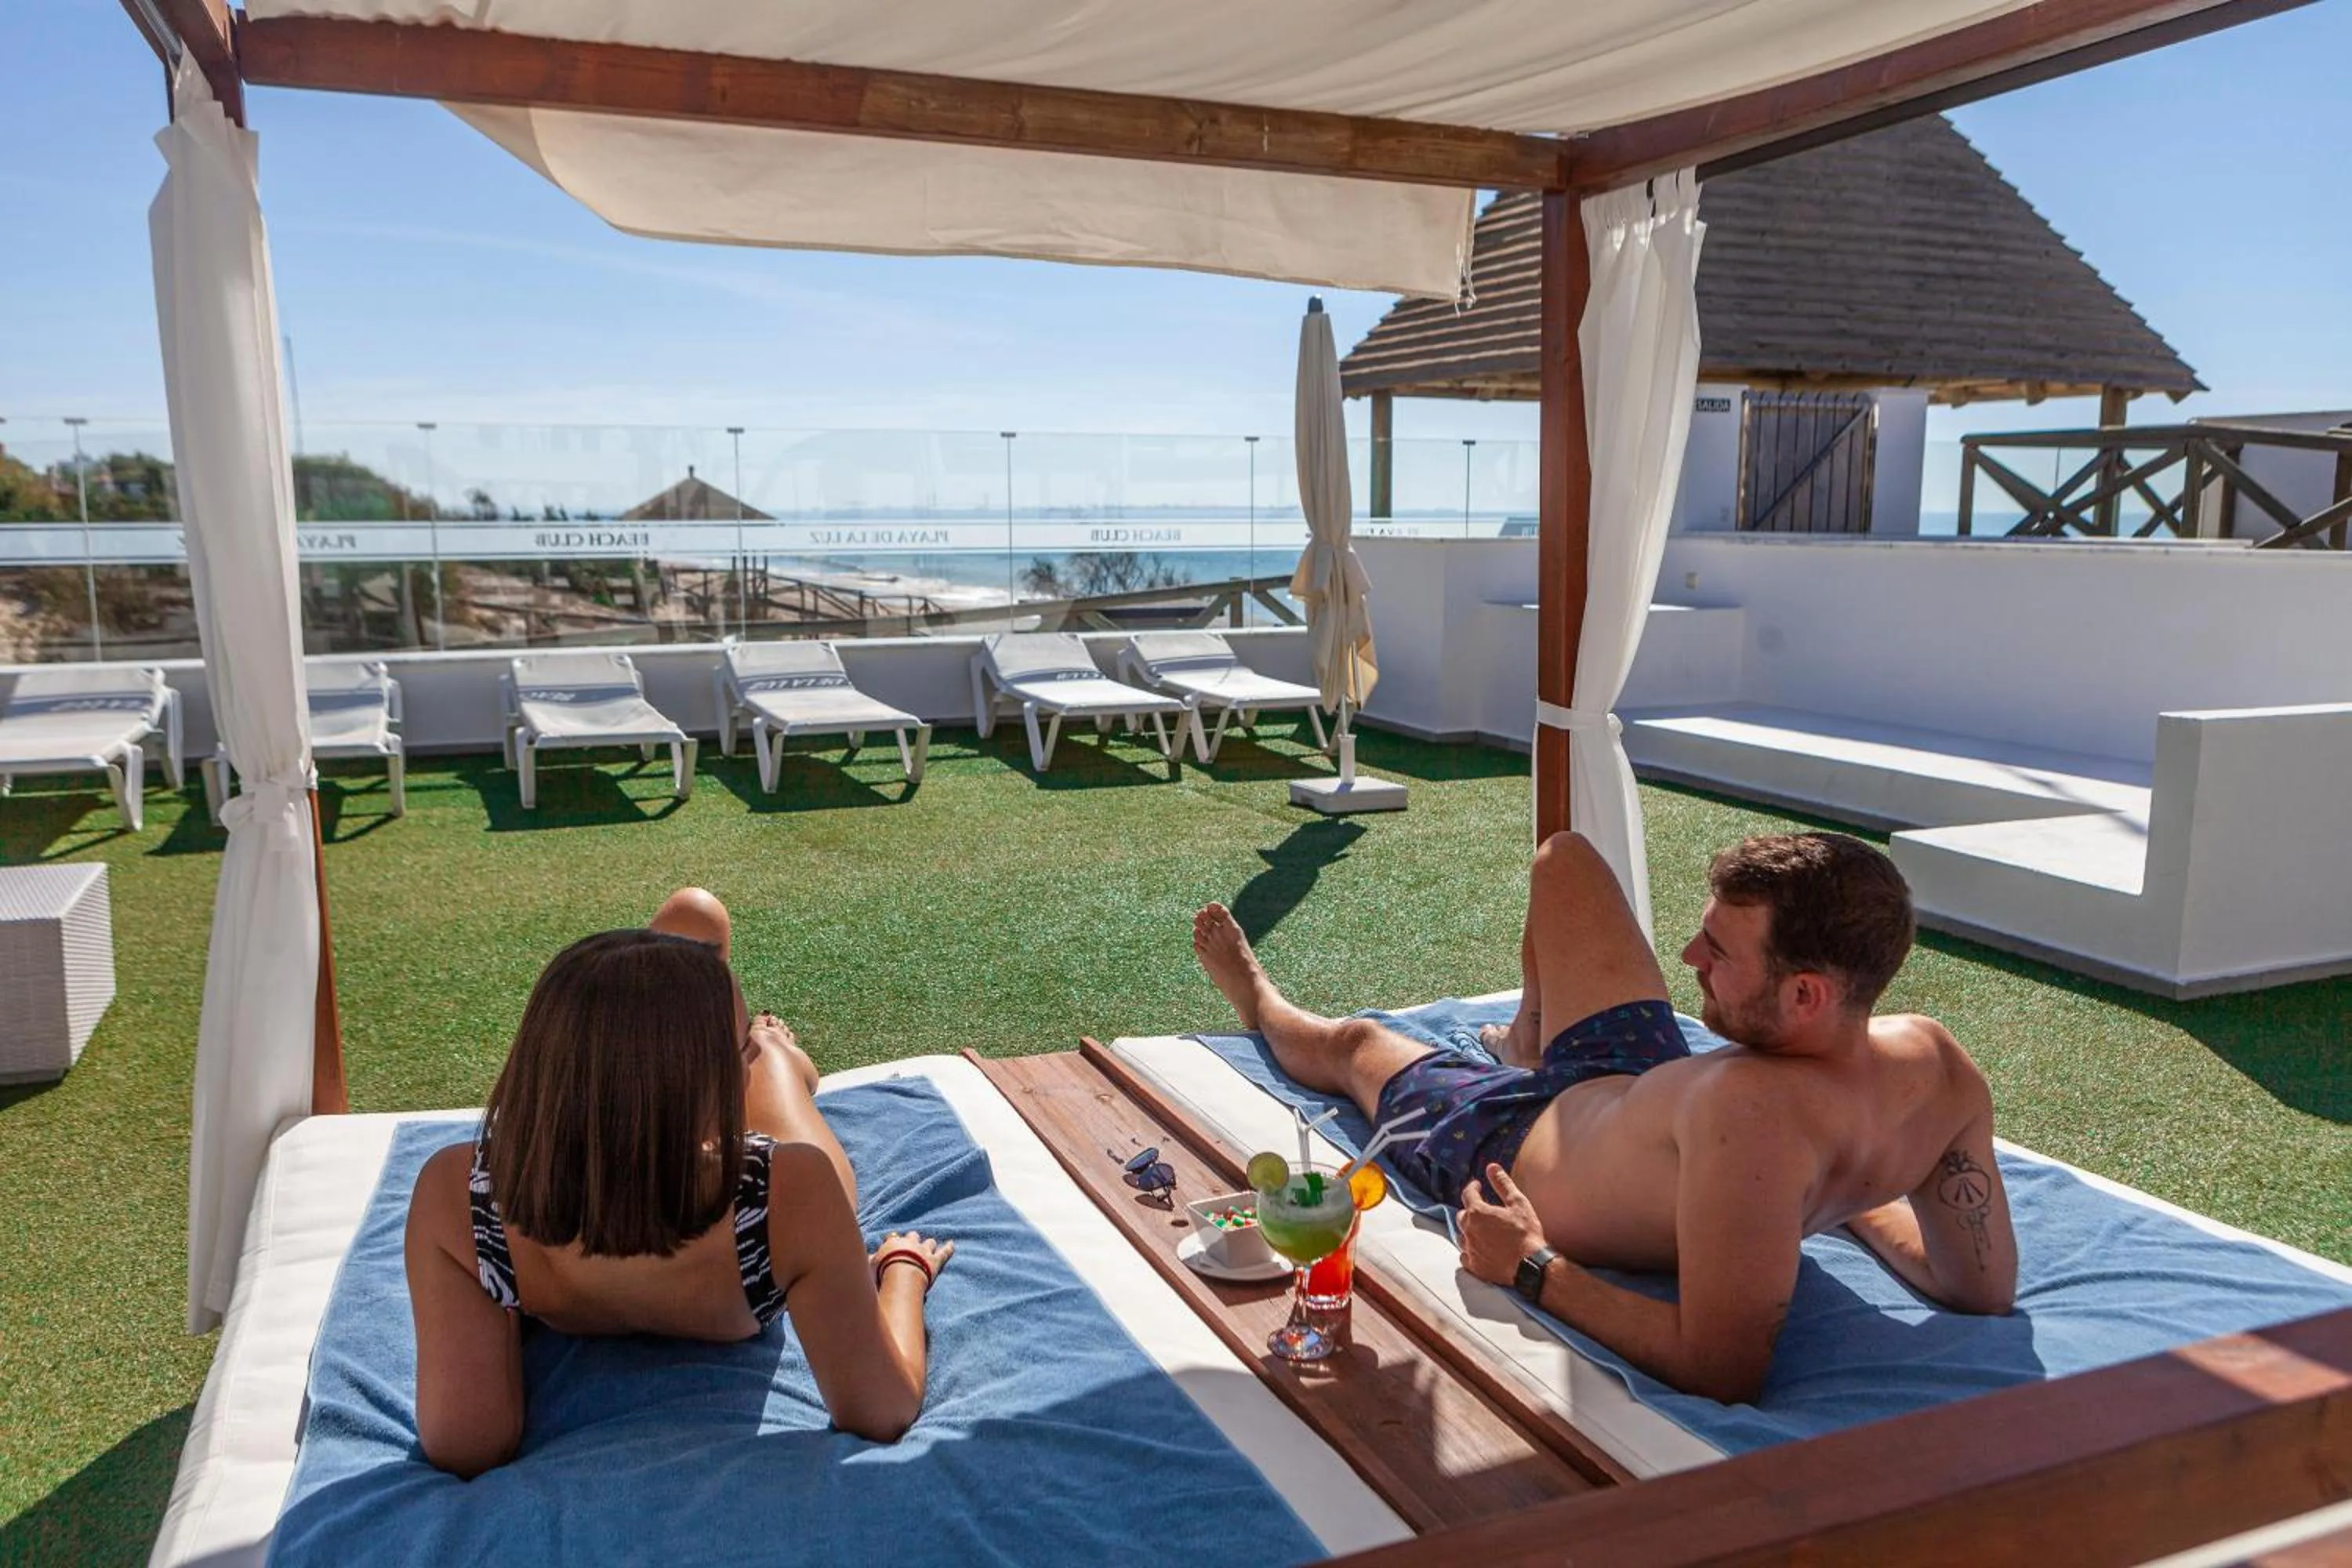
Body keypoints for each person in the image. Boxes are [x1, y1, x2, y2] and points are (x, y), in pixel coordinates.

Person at [1192, 831, 2016, 1405]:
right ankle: (1526, 1040)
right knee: (1566, 860)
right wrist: (1851, 1196)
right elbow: (1976, 1284)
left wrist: (1531, 1264)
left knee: (1356, 1044)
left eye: (1719, 954)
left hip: (1513, 1138)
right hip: (1647, 1079)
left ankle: (1257, 995)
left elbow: (1721, 1370)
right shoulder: (1936, 1066)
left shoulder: (1755, 1118)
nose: (1689, 958)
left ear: (1806, 995)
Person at [405, 888, 953, 1477]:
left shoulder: (457, 1192)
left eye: (736, 1042)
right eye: (732, 1047)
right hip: (747, 1205)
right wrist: (903, 1271)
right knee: (769, 1074)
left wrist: (502, 1294)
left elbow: (467, 1444)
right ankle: (771, 1044)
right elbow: (883, 1411)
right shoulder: (795, 1189)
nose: (734, 1064)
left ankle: (662, 999)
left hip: (580, 1176)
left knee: (698, 920)